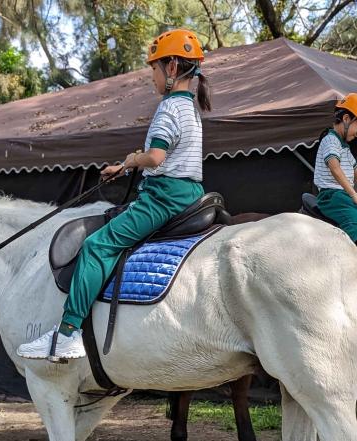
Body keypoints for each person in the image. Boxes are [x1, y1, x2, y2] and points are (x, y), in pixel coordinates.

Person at [17, 28, 211, 361]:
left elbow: (156, 159)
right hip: (190, 189)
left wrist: (136, 159)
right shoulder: (190, 107)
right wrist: (125, 165)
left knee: (95, 247)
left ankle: (67, 334)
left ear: (173, 68)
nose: (151, 76)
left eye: (153, 68)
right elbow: (169, 153)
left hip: (164, 197)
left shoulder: (168, 109)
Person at [312, 93, 357, 243]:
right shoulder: (331, 141)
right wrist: (355, 196)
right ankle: (331, 256)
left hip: (342, 195)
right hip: (331, 196)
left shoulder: (344, 147)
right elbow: (335, 169)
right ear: (346, 119)